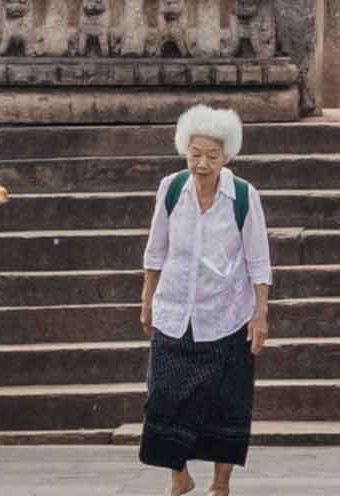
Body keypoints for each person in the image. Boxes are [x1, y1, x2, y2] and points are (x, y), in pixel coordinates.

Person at [139, 105, 272, 496]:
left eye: (211, 156)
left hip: (227, 314)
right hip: (175, 310)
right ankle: (178, 475)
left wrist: (260, 313)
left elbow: (259, 260)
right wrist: (147, 298)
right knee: (163, 397)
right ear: (184, 151)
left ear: (226, 156)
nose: (201, 164)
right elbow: (156, 249)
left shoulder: (243, 197)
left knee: (227, 404)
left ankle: (220, 484)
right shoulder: (171, 189)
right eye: (194, 154)